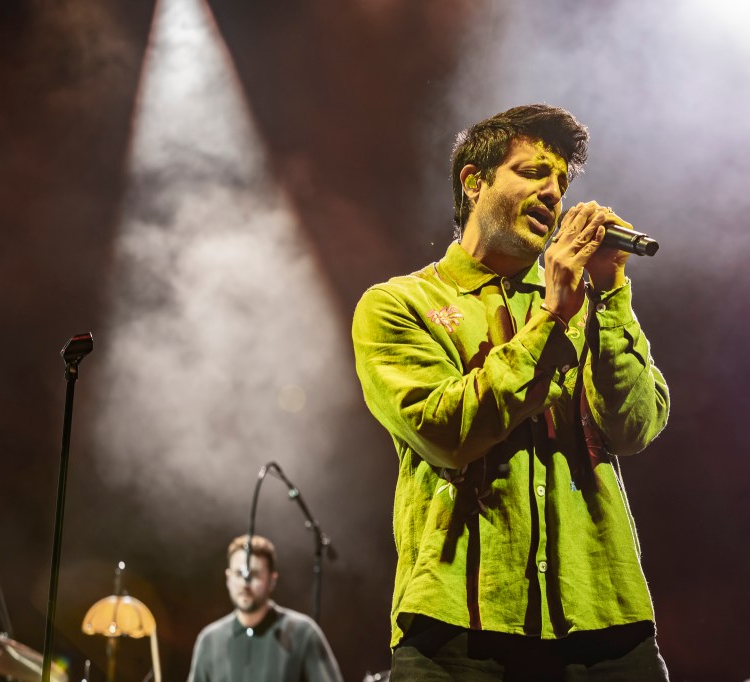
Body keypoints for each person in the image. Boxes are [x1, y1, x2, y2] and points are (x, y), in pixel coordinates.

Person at [351, 104, 671, 681]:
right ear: (474, 183)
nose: (554, 193)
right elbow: (445, 432)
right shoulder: (398, 305)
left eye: (562, 182)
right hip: (458, 628)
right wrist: (550, 318)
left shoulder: (584, 305)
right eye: (533, 172)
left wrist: (611, 290)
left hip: (604, 617)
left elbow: (636, 426)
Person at [187, 534, 343, 682]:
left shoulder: (302, 632)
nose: (245, 584)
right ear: (228, 578)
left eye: (254, 575)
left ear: (272, 580)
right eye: (239, 574)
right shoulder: (210, 640)